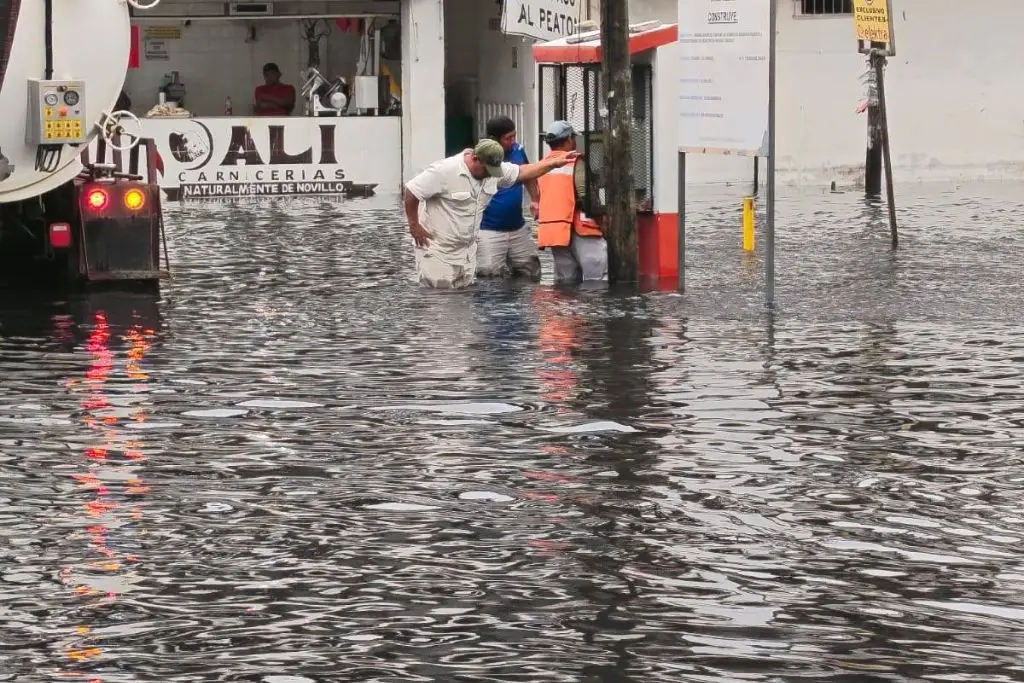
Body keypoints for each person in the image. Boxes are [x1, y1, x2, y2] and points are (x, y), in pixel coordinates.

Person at [403, 139, 579, 289]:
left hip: (466, 250)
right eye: (487, 169)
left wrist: (554, 163)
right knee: (439, 301)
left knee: (462, 303)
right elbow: (411, 190)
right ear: (475, 158)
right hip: (438, 249)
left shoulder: (493, 169)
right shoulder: (444, 170)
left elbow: (524, 172)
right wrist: (414, 225)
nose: (490, 174)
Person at [536, 121, 607, 283]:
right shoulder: (574, 161)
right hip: (581, 230)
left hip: (555, 233)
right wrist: (602, 221)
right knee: (596, 280)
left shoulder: (542, 165)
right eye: (573, 138)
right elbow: (585, 195)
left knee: (565, 283)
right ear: (569, 139)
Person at [476, 116, 541, 280]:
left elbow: (528, 175)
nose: (512, 141)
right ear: (494, 139)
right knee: (489, 279)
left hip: (518, 228)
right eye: (508, 138)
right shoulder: (480, 158)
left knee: (531, 273)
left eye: (514, 136)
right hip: (488, 231)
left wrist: (535, 200)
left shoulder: (518, 150)